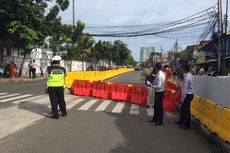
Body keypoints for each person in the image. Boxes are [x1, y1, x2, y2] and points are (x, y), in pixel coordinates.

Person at [175, 63, 194, 129]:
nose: (181, 69)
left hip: (187, 95)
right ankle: (181, 121)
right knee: (183, 109)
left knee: (186, 110)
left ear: (185, 69)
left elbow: (184, 89)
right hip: (188, 95)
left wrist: (182, 99)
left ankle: (186, 124)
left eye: (182, 68)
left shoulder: (187, 78)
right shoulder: (188, 75)